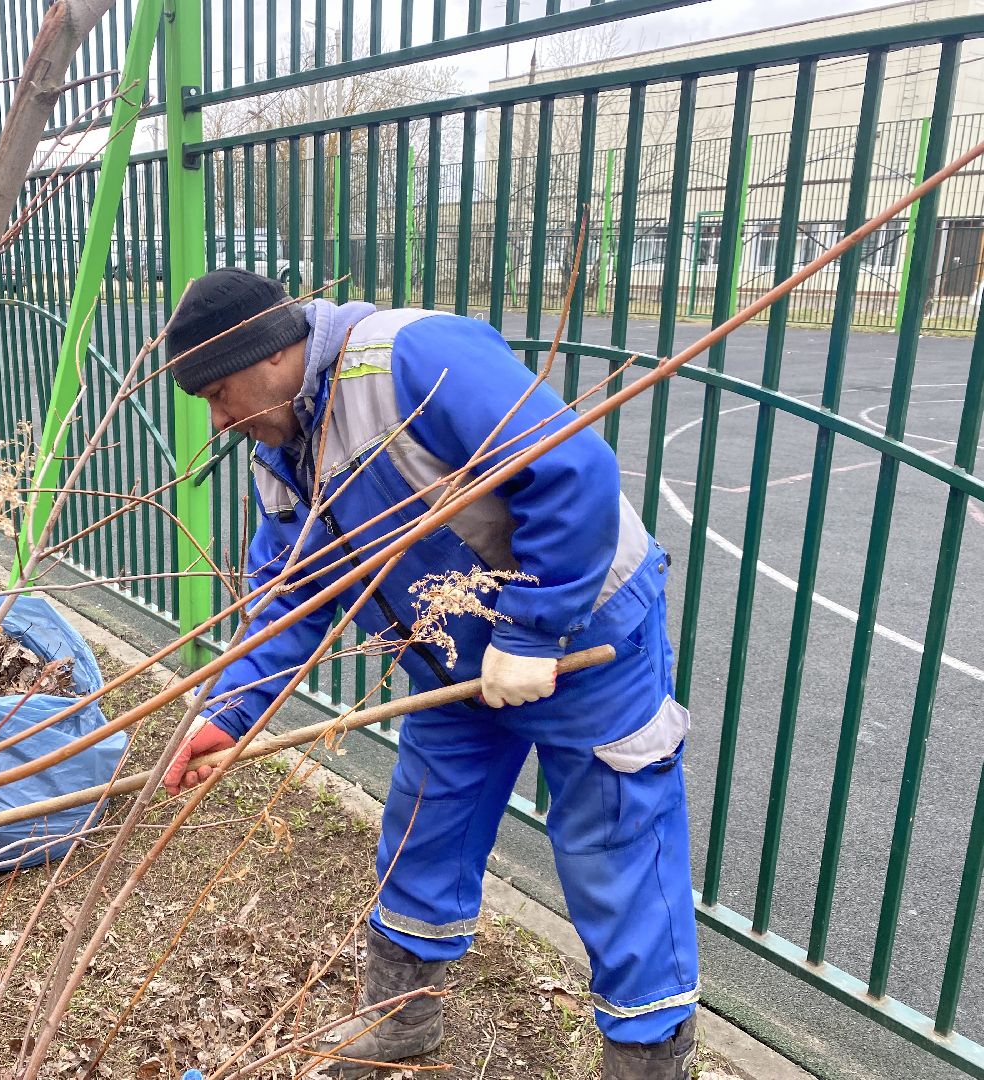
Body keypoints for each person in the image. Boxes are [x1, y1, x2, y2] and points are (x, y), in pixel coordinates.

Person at [161, 268, 699, 1080]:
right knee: (425, 823)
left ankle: (647, 1061)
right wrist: (228, 715)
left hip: (589, 630)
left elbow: (572, 470)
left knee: (614, 842)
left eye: (222, 392)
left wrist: (534, 625)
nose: (220, 418)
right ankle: (402, 1018)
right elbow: (290, 597)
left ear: (270, 356)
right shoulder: (280, 454)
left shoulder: (412, 356)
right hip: (456, 652)